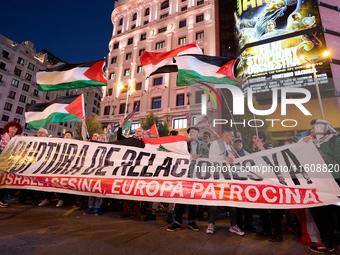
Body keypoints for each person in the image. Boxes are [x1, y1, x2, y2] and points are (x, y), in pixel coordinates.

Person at [303, 119, 340, 254]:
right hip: (320, 184)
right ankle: (327, 242)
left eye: (314, 128)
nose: (311, 131)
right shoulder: (312, 144)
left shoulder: (335, 141)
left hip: (336, 183)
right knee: (321, 214)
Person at [167, 127, 208, 232]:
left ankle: (191, 221)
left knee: (193, 199)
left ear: (198, 134)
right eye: (190, 132)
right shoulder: (184, 144)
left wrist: (199, 156)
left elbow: (208, 155)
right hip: (184, 174)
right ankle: (177, 222)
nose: (191, 133)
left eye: (193, 132)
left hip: (196, 174)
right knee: (181, 198)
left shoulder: (203, 144)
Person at [206, 129, 245, 236]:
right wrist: (224, 158)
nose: (233, 138)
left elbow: (236, 163)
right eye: (232, 136)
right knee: (214, 202)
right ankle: (211, 223)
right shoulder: (215, 144)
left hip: (229, 178)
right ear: (226, 135)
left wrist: (235, 157)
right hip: (217, 177)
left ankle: (233, 225)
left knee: (232, 202)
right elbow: (211, 158)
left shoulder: (231, 147)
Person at [116, 117, 144, 220]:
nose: (137, 132)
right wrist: (120, 126)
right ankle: (126, 212)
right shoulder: (130, 140)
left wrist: (145, 140)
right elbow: (119, 138)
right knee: (126, 190)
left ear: (142, 134)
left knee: (137, 192)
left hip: (139, 170)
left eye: (139, 131)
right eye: (136, 131)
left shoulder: (144, 142)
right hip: (127, 169)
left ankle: (136, 213)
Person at [0, 121, 23, 208]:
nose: (12, 129)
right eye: (11, 127)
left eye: (15, 128)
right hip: (2, 163)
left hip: (12, 164)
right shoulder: (2, 138)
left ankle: (3, 199)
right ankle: (1, 199)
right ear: (8, 128)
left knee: (7, 182)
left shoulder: (18, 139)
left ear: (17, 130)